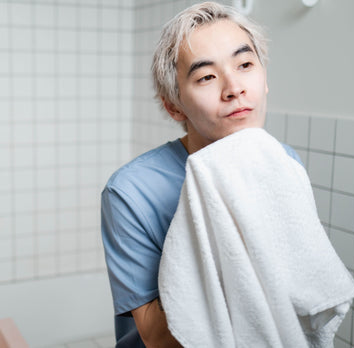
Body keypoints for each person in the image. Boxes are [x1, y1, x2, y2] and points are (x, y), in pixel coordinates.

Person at [101, 2, 303, 347]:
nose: (234, 87)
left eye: (245, 65)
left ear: (264, 78)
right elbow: (156, 337)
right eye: (207, 76)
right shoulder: (132, 191)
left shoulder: (285, 163)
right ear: (173, 104)